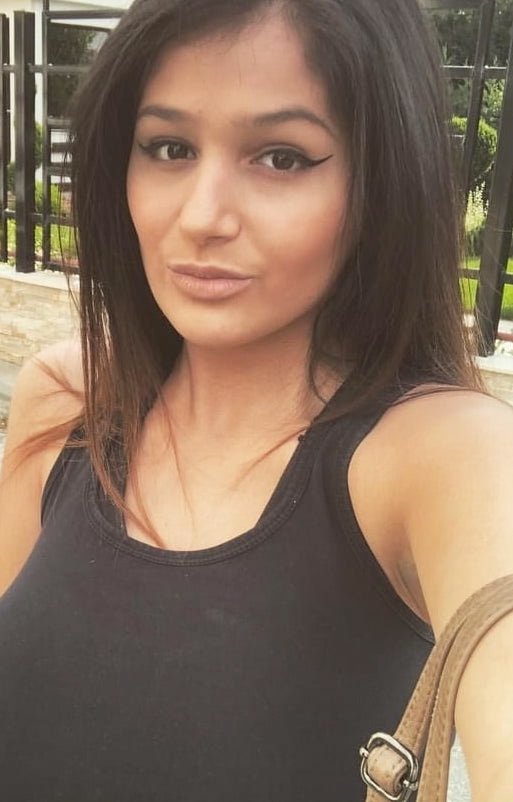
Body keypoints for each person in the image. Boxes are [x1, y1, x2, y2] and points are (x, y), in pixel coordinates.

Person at [1, 0, 512, 799]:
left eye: (281, 157)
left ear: (381, 182)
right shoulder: (65, 401)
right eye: (168, 148)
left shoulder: (439, 454)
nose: (202, 217)